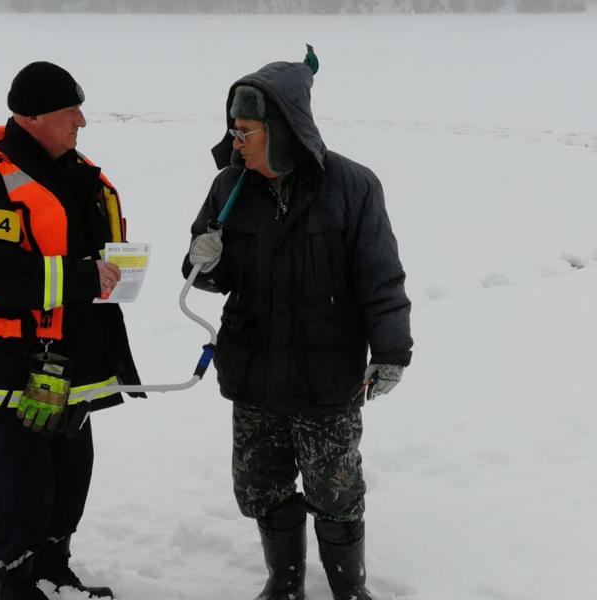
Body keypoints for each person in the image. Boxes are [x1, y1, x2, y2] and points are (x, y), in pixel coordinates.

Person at [183, 46, 412, 600]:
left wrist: (391, 352)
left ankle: (348, 589)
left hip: (325, 374)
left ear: (282, 130)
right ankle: (284, 583)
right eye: (232, 129)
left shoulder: (353, 188)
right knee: (261, 487)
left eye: (247, 130)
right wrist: (202, 260)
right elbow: (201, 276)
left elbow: (381, 277)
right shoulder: (228, 188)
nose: (235, 141)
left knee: (335, 491)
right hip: (254, 368)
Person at [0, 61, 144, 600]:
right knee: (22, 470)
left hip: (73, 349)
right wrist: (83, 276)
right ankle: (17, 576)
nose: (81, 121)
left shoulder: (73, 170)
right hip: (13, 355)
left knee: (71, 465)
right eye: (69, 111)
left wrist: (118, 269)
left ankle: (54, 566)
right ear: (32, 117)